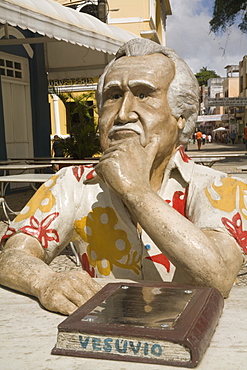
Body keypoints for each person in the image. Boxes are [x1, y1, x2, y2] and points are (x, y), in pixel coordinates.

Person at [0, 39, 245, 316]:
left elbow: (218, 276)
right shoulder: (70, 184)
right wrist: (46, 281)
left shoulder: (222, 188)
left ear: (181, 115)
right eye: (114, 96)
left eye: (143, 95)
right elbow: (12, 256)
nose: (124, 113)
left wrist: (136, 191)